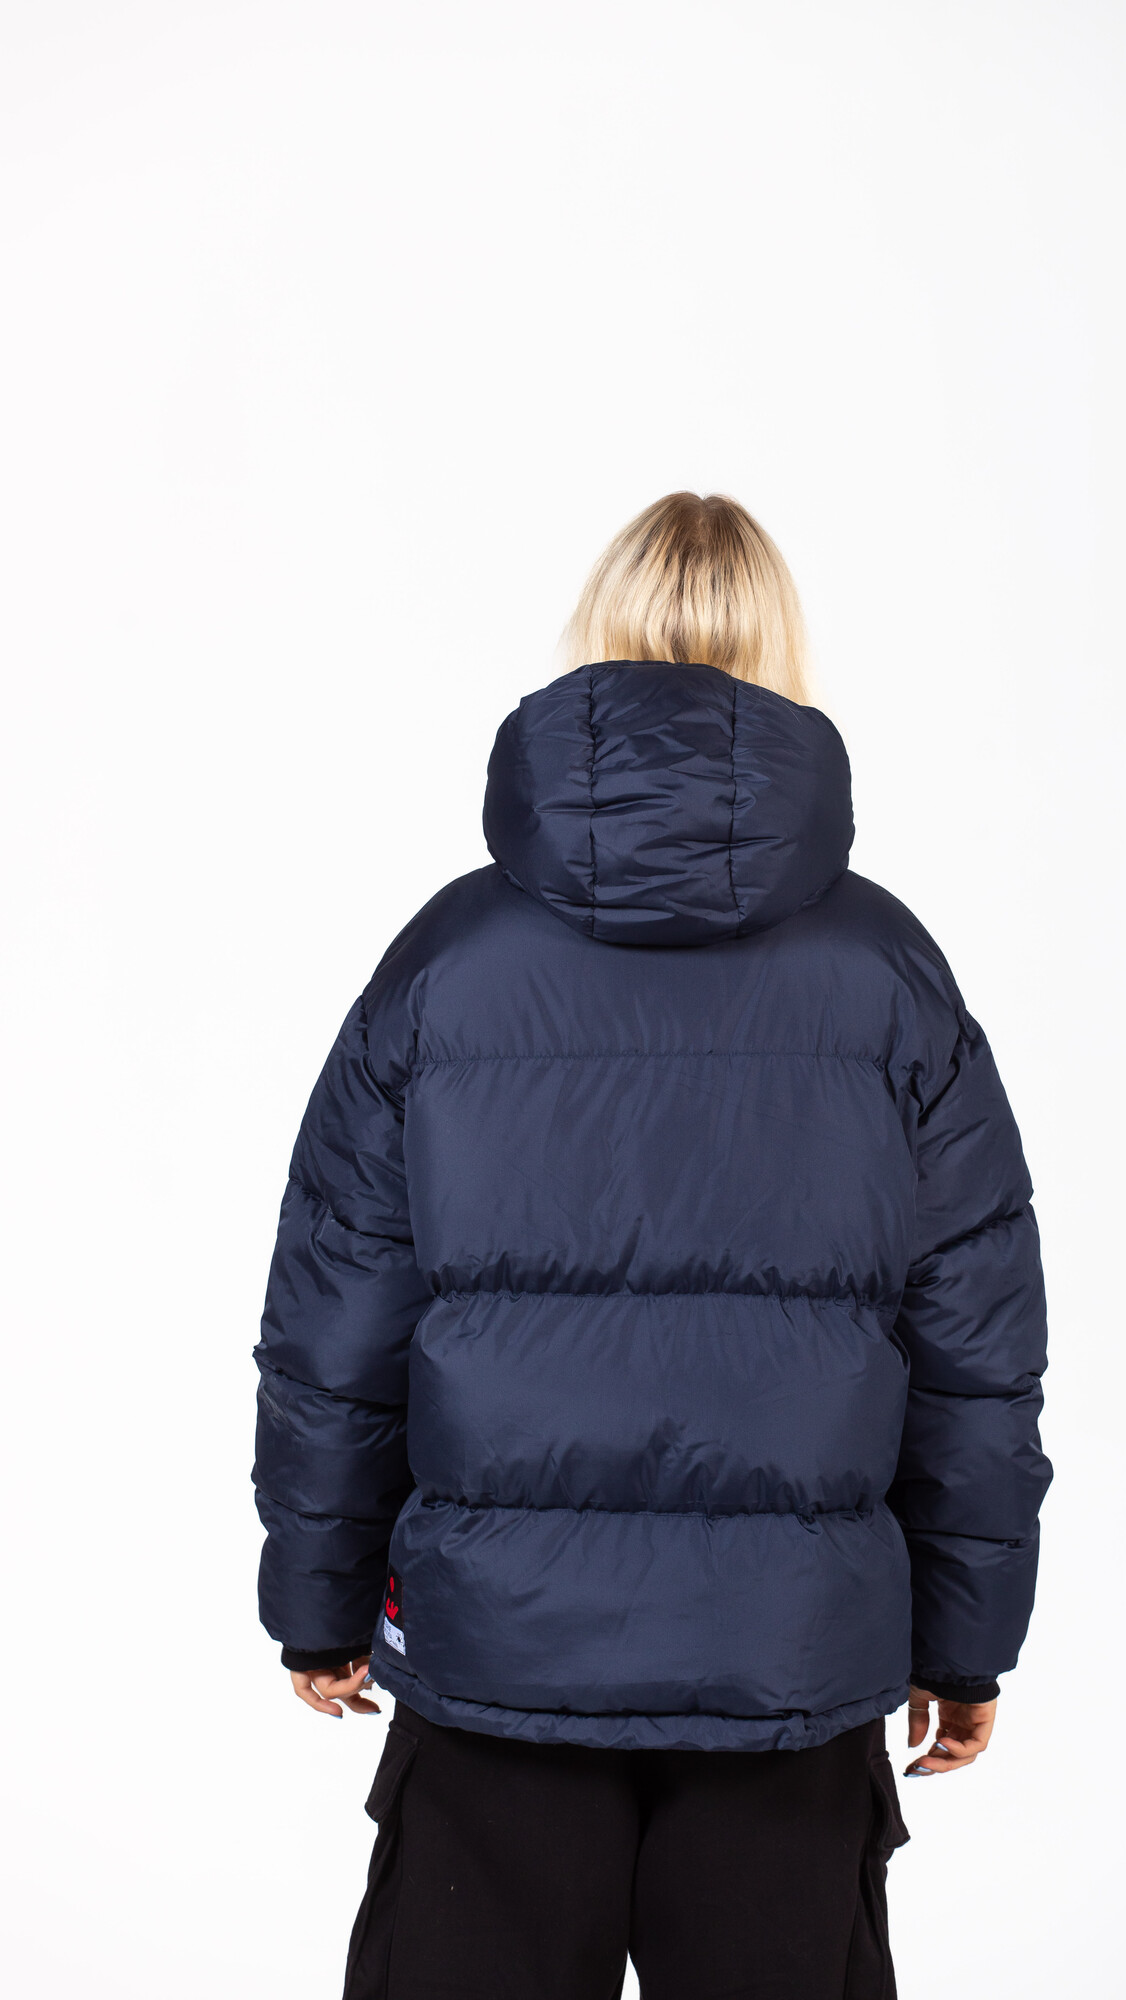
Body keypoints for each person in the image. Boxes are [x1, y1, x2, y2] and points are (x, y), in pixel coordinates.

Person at [254, 492, 1052, 2000]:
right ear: (783, 653)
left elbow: (335, 1322)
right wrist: (963, 1641)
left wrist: (318, 1594)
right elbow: (975, 1350)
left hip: (501, 1654)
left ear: (594, 644)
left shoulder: (448, 963)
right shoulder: (889, 974)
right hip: (788, 1666)